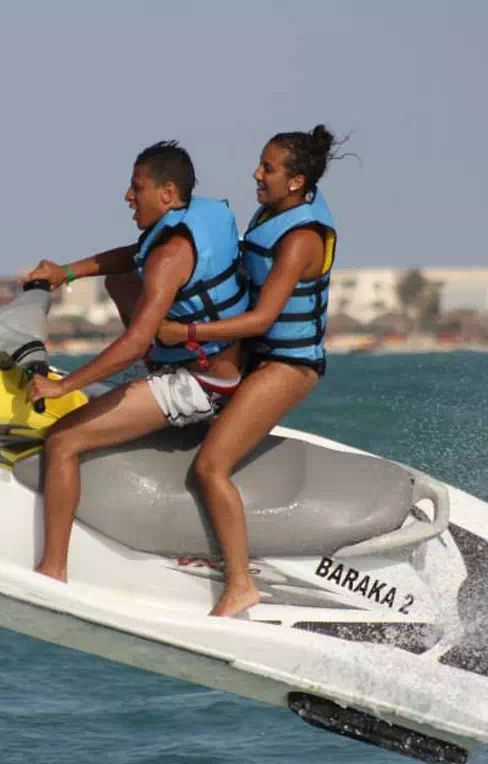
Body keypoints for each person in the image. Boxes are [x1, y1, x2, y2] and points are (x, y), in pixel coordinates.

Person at [24, 141, 249, 591]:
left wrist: (63, 386)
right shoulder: (187, 223)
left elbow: (133, 343)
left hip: (199, 384)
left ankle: (53, 571)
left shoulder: (170, 257)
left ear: (167, 193)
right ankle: (150, 385)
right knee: (120, 277)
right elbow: (132, 254)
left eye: (136, 187)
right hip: (208, 364)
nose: (128, 196)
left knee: (63, 440)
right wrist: (65, 272)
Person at [156, 125, 339, 617]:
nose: (257, 174)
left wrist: (186, 333)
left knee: (211, 465)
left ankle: (241, 585)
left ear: (297, 181)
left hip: (289, 365)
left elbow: (263, 318)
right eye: (261, 163)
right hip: (256, 355)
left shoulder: (300, 238)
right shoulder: (273, 212)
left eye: (269, 168)